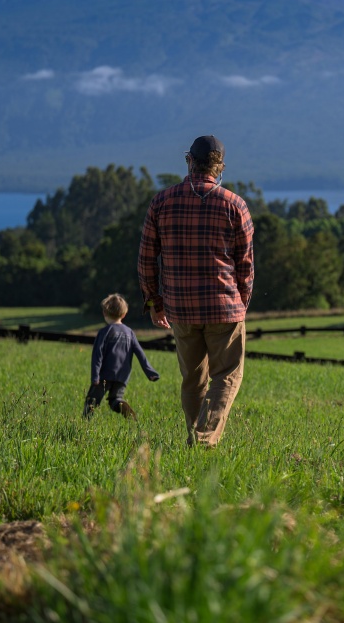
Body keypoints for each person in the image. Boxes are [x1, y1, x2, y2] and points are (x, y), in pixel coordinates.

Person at [137, 135, 254, 447]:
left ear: (189, 160)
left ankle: (195, 437)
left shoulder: (161, 202)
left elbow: (147, 257)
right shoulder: (234, 205)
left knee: (193, 379)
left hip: (181, 309)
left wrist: (154, 301)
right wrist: (241, 302)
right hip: (224, 307)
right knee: (227, 376)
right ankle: (203, 440)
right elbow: (245, 265)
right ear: (220, 168)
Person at [83, 293, 160, 421]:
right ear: (124, 314)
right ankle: (126, 410)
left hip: (104, 375)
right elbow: (140, 353)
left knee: (92, 400)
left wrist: (95, 376)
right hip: (122, 376)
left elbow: (97, 354)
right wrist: (150, 372)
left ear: (104, 313)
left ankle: (84, 424)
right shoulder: (129, 332)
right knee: (115, 400)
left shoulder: (104, 332)